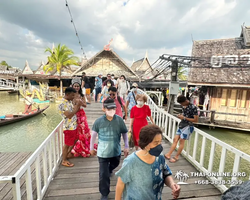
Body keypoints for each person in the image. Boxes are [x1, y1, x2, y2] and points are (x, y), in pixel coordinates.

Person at [115, 124, 181, 200]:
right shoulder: (131, 161)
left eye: (160, 142)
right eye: (156, 143)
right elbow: (120, 183)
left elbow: (165, 174)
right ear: (145, 143)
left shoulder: (160, 157)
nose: (159, 146)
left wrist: (172, 185)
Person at [90, 98, 129, 200]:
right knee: (103, 174)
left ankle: (110, 169)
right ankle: (104, 193)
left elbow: (124, 133)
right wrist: (91, 148)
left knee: (115, 164)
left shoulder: (119, 120)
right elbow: (93, 135)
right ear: (104, 109)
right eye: (109, 108)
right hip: (102, 152)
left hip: (116, 150)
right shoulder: (98, 121)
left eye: (113, 108)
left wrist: (126, 146)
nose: (111, 111)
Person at [164, 95, 198, 163]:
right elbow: (184, 115)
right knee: (175, 139)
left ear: (186, 101)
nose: (181, 105)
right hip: (181, 125)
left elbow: (196, 120)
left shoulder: (193, 107)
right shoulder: (183, 106)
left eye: (182, 103)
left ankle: (176, 156)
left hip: (188, 126)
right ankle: (168, 154)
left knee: (181, 141)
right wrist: (181, 116)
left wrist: (184, 118)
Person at [70, 80, 97, 157]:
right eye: (75, 86)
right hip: (73, 114)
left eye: (77, 86)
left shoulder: (82, 95)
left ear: (80, 87)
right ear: (72, 86)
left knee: (82, 130)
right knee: (75, 130)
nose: (76, 87)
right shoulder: (70, 95)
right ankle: (75, 146)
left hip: (81, 114)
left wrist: (81, 102)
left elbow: (85, 105)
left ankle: (83, 146)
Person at [58, 87, 82, 167]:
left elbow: (74, 111)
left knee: (76, 138)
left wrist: (78, 106)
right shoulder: (62, 104)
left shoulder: (69, 101)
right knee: (67, 144)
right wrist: (77, 106)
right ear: (67, 94)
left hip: (73, 125)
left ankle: (67, 154)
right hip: (68, 127)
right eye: (72, 95)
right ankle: (64, 160)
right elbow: (69, 115)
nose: (73, 97)